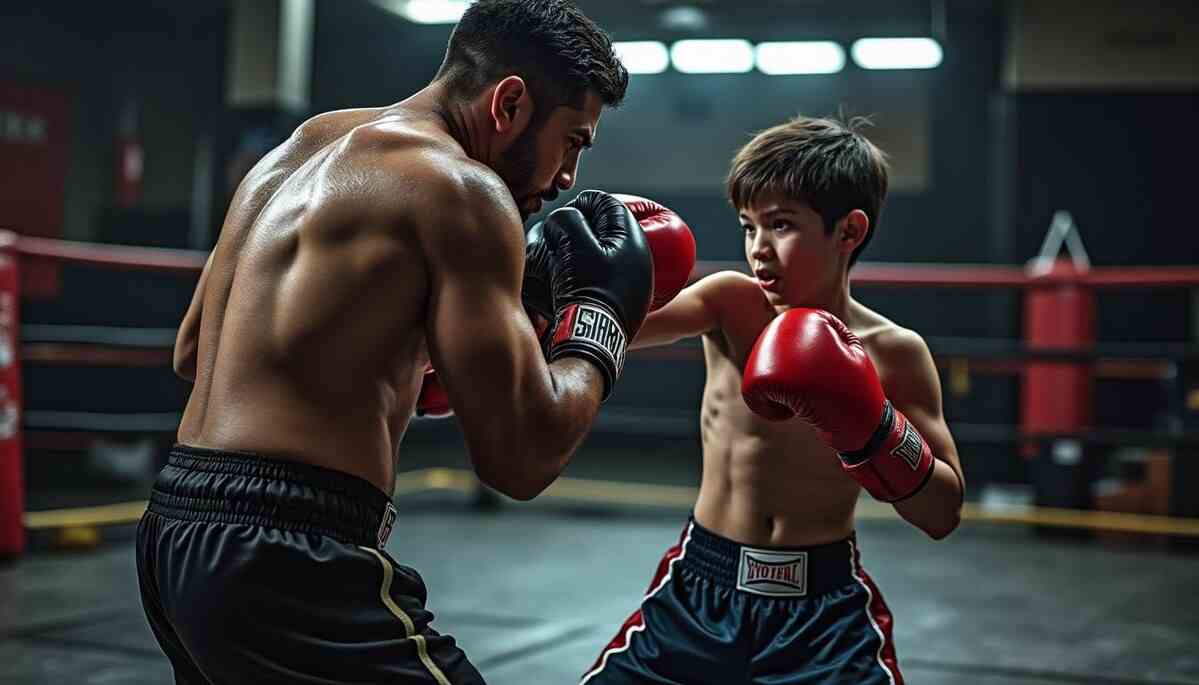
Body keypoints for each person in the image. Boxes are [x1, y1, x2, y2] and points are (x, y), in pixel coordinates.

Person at [136, 2, 657, 683]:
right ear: (508, 104)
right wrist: (600, 319)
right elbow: (521, 460)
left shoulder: (306, 144)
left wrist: (404, 347)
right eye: (575, 142)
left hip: (174, 526)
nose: (567, 179)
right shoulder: (463, 191)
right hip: (288, 553)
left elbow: (192, 349)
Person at [581, 115, 966, 685]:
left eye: (780, 225)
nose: (759, 250)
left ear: (849, 232)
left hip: (823, 612)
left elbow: (943, 512)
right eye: (748, 227)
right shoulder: (730, 304)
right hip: (699, 591)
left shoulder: (894, 353)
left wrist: (875, 430)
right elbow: (616, 327)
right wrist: (582, 283)